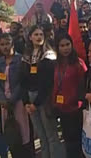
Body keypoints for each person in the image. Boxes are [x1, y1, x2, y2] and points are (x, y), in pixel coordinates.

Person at [20, 25, 65, 158]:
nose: (39, 37)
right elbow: (22, 80)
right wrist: (26, 102)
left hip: (44, 98)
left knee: (51, 136)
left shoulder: (49, 55)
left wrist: (37, 102)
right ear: (30, 37)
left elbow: (48, 82)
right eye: (36, 34)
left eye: (41, 34)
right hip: (30, 97)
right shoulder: (26, 55)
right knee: (41, 136)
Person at [0, 33, 34, 158]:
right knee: (10, 134)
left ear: (12, 44)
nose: (5, 47)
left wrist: (12, 100)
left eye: (7, 43)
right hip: (4, 104)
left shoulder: (21, 60)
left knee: (23, 135)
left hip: (18, 102)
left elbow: (22, 82)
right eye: (2, 44)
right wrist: (2, 99)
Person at [52, 34, 87, 158]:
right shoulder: (56, 64)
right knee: (67, 140)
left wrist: (78, 100)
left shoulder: (79, 63)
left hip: (76, 108)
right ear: (57, 47)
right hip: (62, 108)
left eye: (67, 45)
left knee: (77, 141)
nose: (65, 48)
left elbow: (84, 85)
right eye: (62, 45)